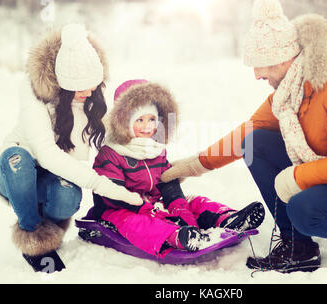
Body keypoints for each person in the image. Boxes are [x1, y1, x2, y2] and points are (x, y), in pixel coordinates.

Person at [160, 0, 327, 274]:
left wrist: (296, 178)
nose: (257, 75)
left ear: (283, 58)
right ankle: (298, 248)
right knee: (256, 142)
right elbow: (248, 131)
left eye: (260, 65)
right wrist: (194, 165)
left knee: (304, 210)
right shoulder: (291, 91)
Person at [0, 24, 143, 272]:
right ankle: (34, 237)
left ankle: (49, 228)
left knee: (68, 196)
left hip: (52, 177)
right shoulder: (34, 91)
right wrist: (104, 186)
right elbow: (46, 153)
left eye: (93, 84)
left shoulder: (90, 97)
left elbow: (117, 136)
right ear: (64, 83)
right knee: (16, 159)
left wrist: (146, 146)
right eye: (81, 86)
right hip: (14, 172)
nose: (89, 90)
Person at [88, 79, 265, 257]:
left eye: (152, 119)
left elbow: (169, 188)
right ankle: (176, 237)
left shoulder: (155, 150)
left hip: (154, 203)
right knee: (138, 223)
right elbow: (111, 196)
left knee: (195, 202)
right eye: (139, 120)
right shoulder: (111, 153)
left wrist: (184, 216)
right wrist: (147, 209)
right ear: (123, 122)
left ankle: (227, 218)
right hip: (120, 210)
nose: (147, 126)